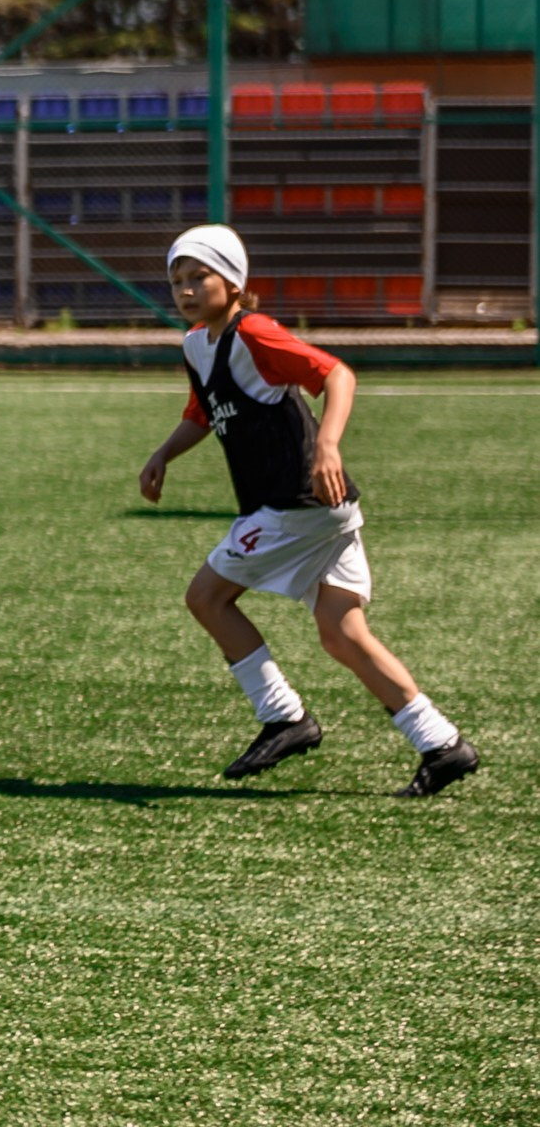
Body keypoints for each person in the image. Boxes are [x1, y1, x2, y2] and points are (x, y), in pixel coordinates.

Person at [139, 225, 479, 798]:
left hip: (295, 505)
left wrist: (328, 444)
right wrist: (163, 454)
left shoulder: (256, 333)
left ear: (235, 281)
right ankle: (442, 745)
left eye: (200, 276)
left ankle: (284, 717)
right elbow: (204, 411)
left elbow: (336, 374)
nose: (187, 289)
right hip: (327, 510)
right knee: (342, 634)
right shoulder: (198, 344)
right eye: (177, 279)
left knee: (206, 597)